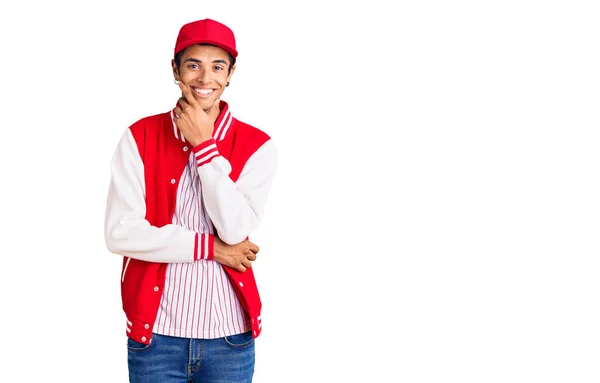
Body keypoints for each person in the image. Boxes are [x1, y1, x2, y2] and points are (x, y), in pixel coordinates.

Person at [104, 18, 277, 383]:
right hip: (157, 337)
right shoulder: (140, 137)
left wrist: (204, 146)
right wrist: (212, 248)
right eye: (193, 65)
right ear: (175, 70)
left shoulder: (257, 146)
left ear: (230, 74)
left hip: (229, 338)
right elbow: (120, 234)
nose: (205, 78)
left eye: (217, 67)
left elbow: (235, 228)